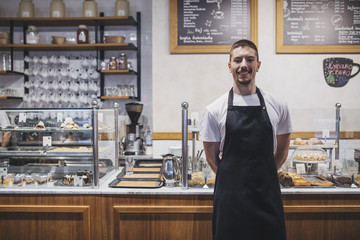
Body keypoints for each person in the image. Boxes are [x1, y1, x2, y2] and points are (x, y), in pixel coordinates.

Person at [199, 39, 292, 240]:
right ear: (229, 66)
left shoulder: (278, 105)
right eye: (238, 60)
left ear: (258, 65)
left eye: (249, 60)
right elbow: (211, 158)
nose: (243, 65)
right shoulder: (214, 109)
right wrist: (235, 180)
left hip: (267, 197)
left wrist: (263, 175)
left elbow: (283, 152)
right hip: (230, 200)